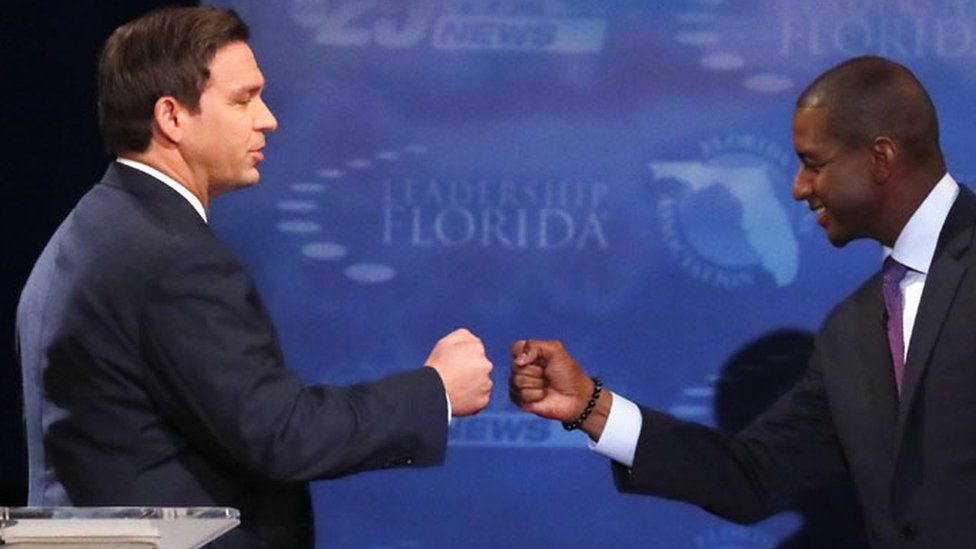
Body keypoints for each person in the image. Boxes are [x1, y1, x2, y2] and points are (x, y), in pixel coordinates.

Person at [16, 6, 493, 547]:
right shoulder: (172, 258)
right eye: (243, 99)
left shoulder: (92, 229)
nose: (267, 119)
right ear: (172, 117)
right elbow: (280, 434)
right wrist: (436, 391)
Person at [509, 55, 976, 547]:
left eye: (814, 164)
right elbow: (753, 477)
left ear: (880, 158)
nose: (798, 188)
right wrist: (590, 405)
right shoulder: (853, 332)